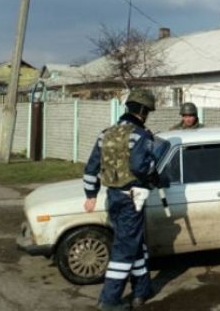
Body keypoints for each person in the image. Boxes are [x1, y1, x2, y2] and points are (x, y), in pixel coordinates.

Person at [83, 89, 159, 311]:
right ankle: (109, 300)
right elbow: (139, 167)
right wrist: (154, 169)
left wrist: (90, 195)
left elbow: (91, 168)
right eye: (148, 112)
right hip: (131, 199)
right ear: (143, 111)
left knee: (135, 244)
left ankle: (141, 291)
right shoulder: (141, 136)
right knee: (125, 249)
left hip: (113, 197)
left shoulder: (105, 133)